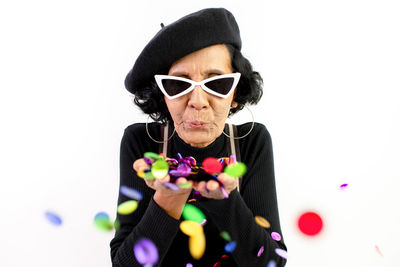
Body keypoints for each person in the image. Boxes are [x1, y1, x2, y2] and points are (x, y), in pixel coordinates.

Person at [110, 8, 287, 266]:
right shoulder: (142, 143)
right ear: (163, 95)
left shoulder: (251, 142)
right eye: (178, 85)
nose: (197, 102)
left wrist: (226, 201)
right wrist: (167, 201)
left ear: (235, 93)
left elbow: (273, 262)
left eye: (216, 84)